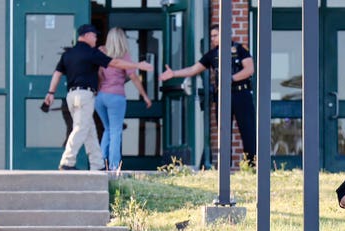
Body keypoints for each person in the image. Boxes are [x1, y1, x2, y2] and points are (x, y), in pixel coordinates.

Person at [43, 24, 152, 171]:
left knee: (91, 131)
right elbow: (115, 62)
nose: (96, 39)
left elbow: (57, 73)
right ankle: (67, 161)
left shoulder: (68, 54)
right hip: (86, 96)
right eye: (94, 36)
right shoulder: (92, 53)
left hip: (73, 96)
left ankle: (98, 165)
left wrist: (51, 93)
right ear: (87, 35)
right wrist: (138, 65)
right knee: (82, 128)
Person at [158, 25, 256, 165]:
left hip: (241, 94)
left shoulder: (240, 49)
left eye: (216, 35)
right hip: (223, 97)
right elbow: (193, 69)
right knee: (224, 134)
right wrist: (173, 73)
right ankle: (224, 170)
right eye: (212, 36)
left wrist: (231, 79)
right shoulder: (212, 54)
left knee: (248, 131)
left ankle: (253, 167)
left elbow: (249, 69)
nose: (213, 39)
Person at [95, 27, 152, 171]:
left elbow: (98, 74)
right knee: (115, 131)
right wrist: (145, 96)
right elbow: (134, 77)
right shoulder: (123, 55)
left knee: (107, 130)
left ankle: (100, 164)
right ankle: (114, 166)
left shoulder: (101, 52)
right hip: (116, 97)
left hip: (100, 97)